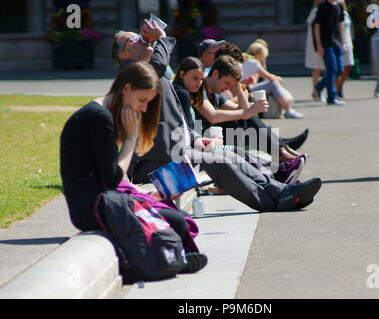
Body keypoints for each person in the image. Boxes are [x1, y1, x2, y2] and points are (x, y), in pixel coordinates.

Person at [112, 23, 323, 212]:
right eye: (133, 40)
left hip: (177, 153)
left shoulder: (150, 74)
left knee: (229, 156)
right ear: (124, 55)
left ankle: (282, 191)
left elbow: (176, 119)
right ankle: (274, 200)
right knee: (219, 163)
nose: (141, 39)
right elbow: (157, 65)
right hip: (155, 168)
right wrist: (161, 38)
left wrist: (194, 137)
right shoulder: (131, 73)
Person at [59, 61, 208, 273]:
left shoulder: (103, 114)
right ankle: (166, 260)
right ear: (126, 89)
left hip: (103, 199)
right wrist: (131, 139)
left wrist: (143, 193)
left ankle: (174, 258)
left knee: (176, 216)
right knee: (176, 221)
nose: (144, 108)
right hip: (90, 207)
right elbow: (111, 178)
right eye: (142, 100)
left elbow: (108, 176)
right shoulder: (99, 118)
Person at [172, 56, 310, 184]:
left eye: (201, 79)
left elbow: (243, 112)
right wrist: (247, 112)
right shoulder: (191, 93)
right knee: (237, 147)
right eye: (227, 83)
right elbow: (213, 116)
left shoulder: (200, 92)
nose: (199, 83)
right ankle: (278, 163)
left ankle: (277, 169)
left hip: (207, 141)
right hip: (202, 145)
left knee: (239, 147)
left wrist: (238, 86)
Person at [243, 41, 305, 119]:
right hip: (249, 91)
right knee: (273, 83)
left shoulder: (247, 60)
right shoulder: (254, 63)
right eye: (263, 56)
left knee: (269, 83)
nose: (263, 58)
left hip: (246, 89)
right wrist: (278, 78)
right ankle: (288, 110)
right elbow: (269, 77)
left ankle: (285, 108)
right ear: (258, 54)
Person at [313, 0, 346, 106]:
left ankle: (319, 87)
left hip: (336, 42)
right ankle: (331, 97)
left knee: (340, 69)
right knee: (332, 69)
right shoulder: (323, 6)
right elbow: (317, 27)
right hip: (325, 43)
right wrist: (318, 45)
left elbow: (340, 24)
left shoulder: (339, 6)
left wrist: (343, 42)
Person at [305, 0, 325, 102]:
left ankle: (316, 91)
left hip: (321, 43)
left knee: (321, 68)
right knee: (318, 68)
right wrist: (318, 45)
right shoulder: (316, 11)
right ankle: (315, 91)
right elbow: (315, 30)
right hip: (316, 44)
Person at [334, 0, 354, 100]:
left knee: (348, 66)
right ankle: (337, 91)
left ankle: (339, 87)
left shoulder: (345, 14)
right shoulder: (335, 12)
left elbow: (349, 28)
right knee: (339, 68)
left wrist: (351, 41)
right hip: (338, 42)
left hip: (348, 42)